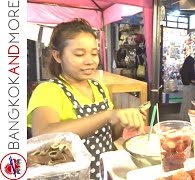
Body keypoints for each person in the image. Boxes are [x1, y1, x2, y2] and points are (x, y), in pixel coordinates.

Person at [27, 18, 145, 179]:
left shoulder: (99, 88)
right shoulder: (49, 90)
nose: (90, 61)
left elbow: (106, 135)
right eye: (79, 54)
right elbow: (43, 136)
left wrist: (125, 123)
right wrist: (108, 115)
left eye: (94, 53)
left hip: (102, 173)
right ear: (57, 55)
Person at [179, 55, 195, 121]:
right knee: (190, 103)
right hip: (191, 88)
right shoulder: (191, 70)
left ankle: (183, 116)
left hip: (185, 87)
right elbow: (193, 81)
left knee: (185, 103)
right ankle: (188, 118)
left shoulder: (182, 70)